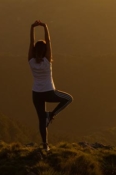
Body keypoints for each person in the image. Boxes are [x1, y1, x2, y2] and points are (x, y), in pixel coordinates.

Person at [28, 20, 73, 151]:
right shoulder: (47, 61)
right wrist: (45, 26)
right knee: (68, 99)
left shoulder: (31, 61)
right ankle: (52, 114)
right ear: (45, 50)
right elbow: (49, 41)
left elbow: (31, 43)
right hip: (49, 92)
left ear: (35, 50)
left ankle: (45, 146)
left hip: (36, 94)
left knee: (41, 121)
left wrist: (32, 28)